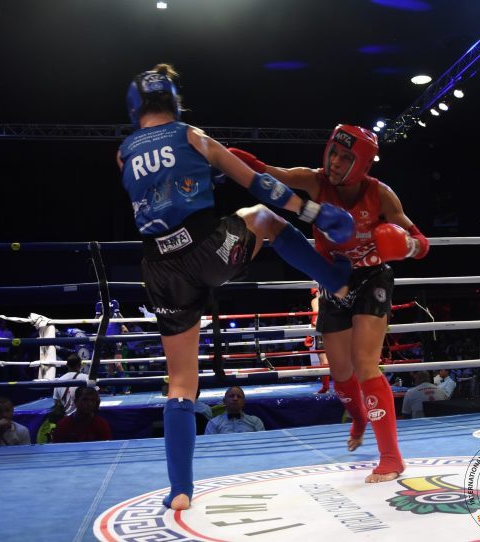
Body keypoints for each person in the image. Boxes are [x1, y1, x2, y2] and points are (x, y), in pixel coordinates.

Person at [117, 64, 355, 510]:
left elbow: (159, 192)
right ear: (173, 101)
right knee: (264, 218)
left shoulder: (123, 153)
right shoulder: (191, 135)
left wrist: (199, 179)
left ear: (134, 107)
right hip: (208, 251)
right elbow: (260, 183)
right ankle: (337, 282)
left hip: (159, 269)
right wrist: (315, 212)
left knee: (181, 381)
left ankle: (180, 491)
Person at [229, 124, 429, 483]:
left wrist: (407, 245)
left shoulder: (381, 195)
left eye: (346, 156)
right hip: (333, 279)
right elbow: (271, 173)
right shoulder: (315, 181)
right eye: (333, 152)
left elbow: (420, 241)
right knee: (340, 376)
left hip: (372, 278)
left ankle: (391, 458)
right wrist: (226, 157)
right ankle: (358, 418)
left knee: (365, 363)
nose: (335, 162)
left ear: (362, 163)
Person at [306, 288, 331, 393]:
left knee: (323, 360)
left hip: (322, 330)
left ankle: (325, 388)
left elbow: (316, 317)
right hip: (336, 330)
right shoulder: (333, 299)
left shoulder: (316, 300)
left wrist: (311, 333)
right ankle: (345, 387)